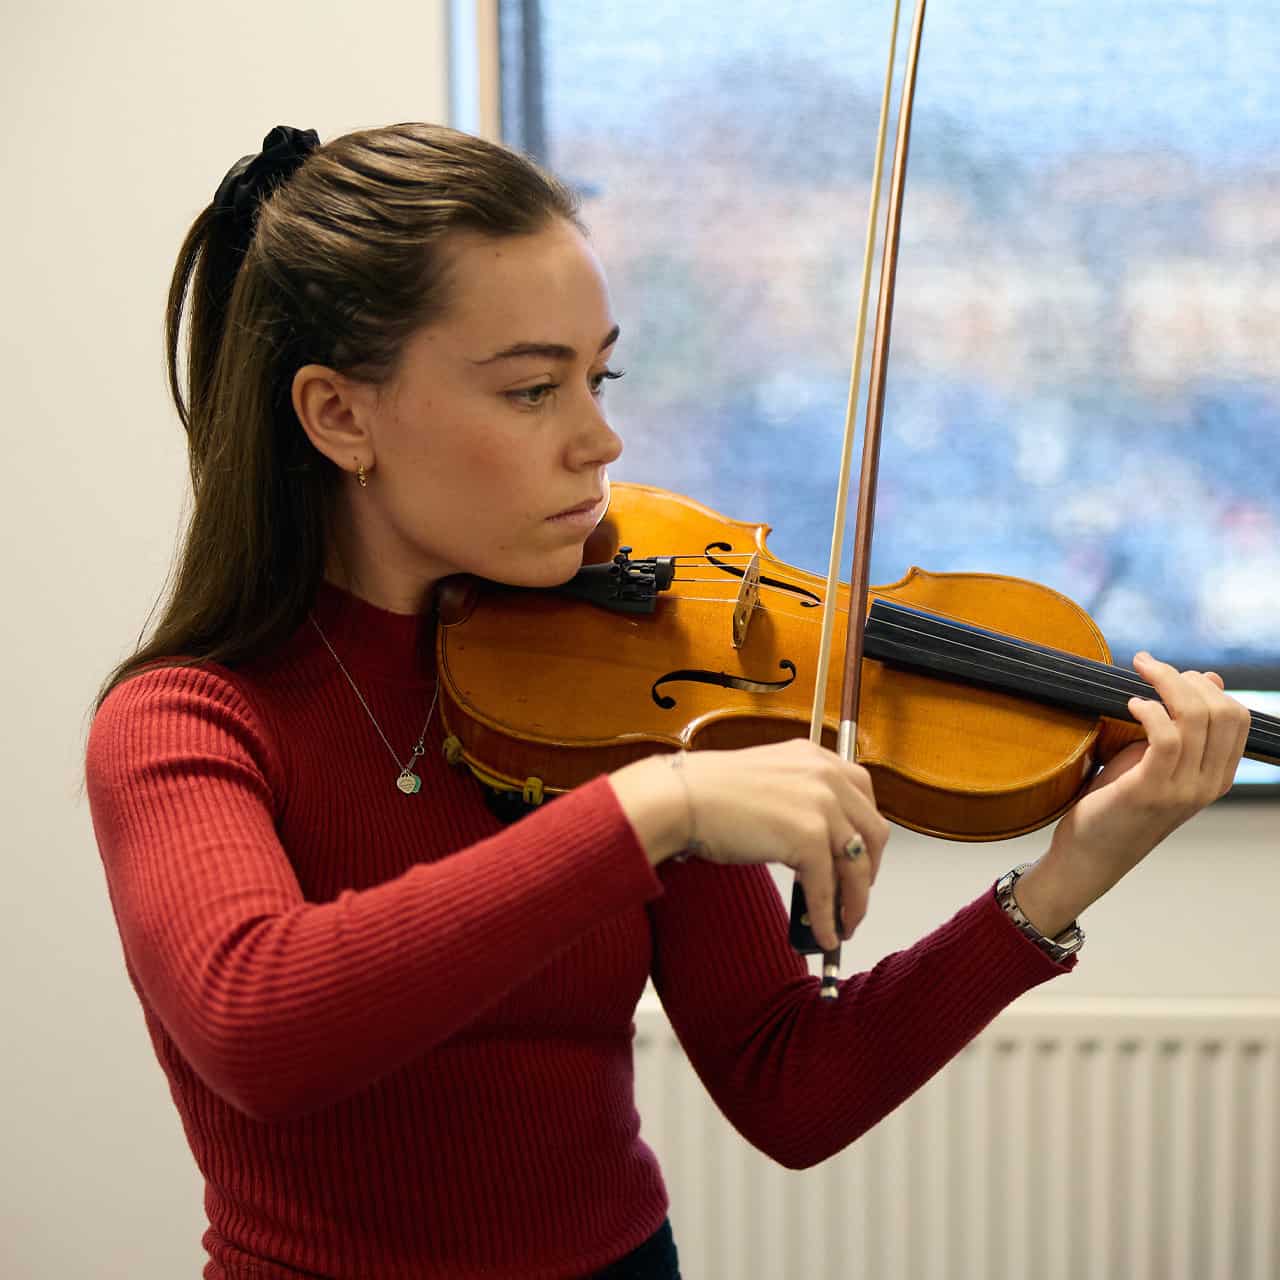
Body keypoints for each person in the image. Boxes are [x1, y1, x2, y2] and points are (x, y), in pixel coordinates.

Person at [84, 123, 1252, 1280]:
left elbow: (790, 1084)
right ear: (339, 415)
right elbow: (259, 1022)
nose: (601, 438)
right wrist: (655, 809)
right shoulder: (186, 722)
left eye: (600, 376)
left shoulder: (616, 669)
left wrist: (1069, 872)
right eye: (534, 388)